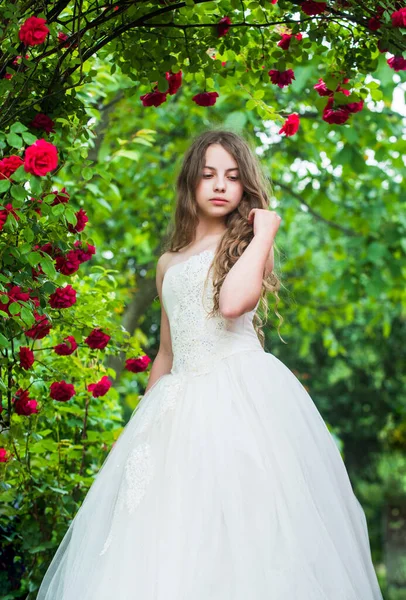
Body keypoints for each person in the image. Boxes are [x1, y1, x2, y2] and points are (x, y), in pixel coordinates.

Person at [36, 129, 383, 599]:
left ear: (244, 188)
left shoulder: (241, 244)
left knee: (245, 524)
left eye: (233, 177)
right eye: (209, 175)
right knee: (168, 532)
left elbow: (234, 303)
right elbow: (166, 352)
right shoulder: (167, 262)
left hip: (240, 397)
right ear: (190, 184)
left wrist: (266, 232)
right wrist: (144, 426)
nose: (220, 185)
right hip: (179, 405)